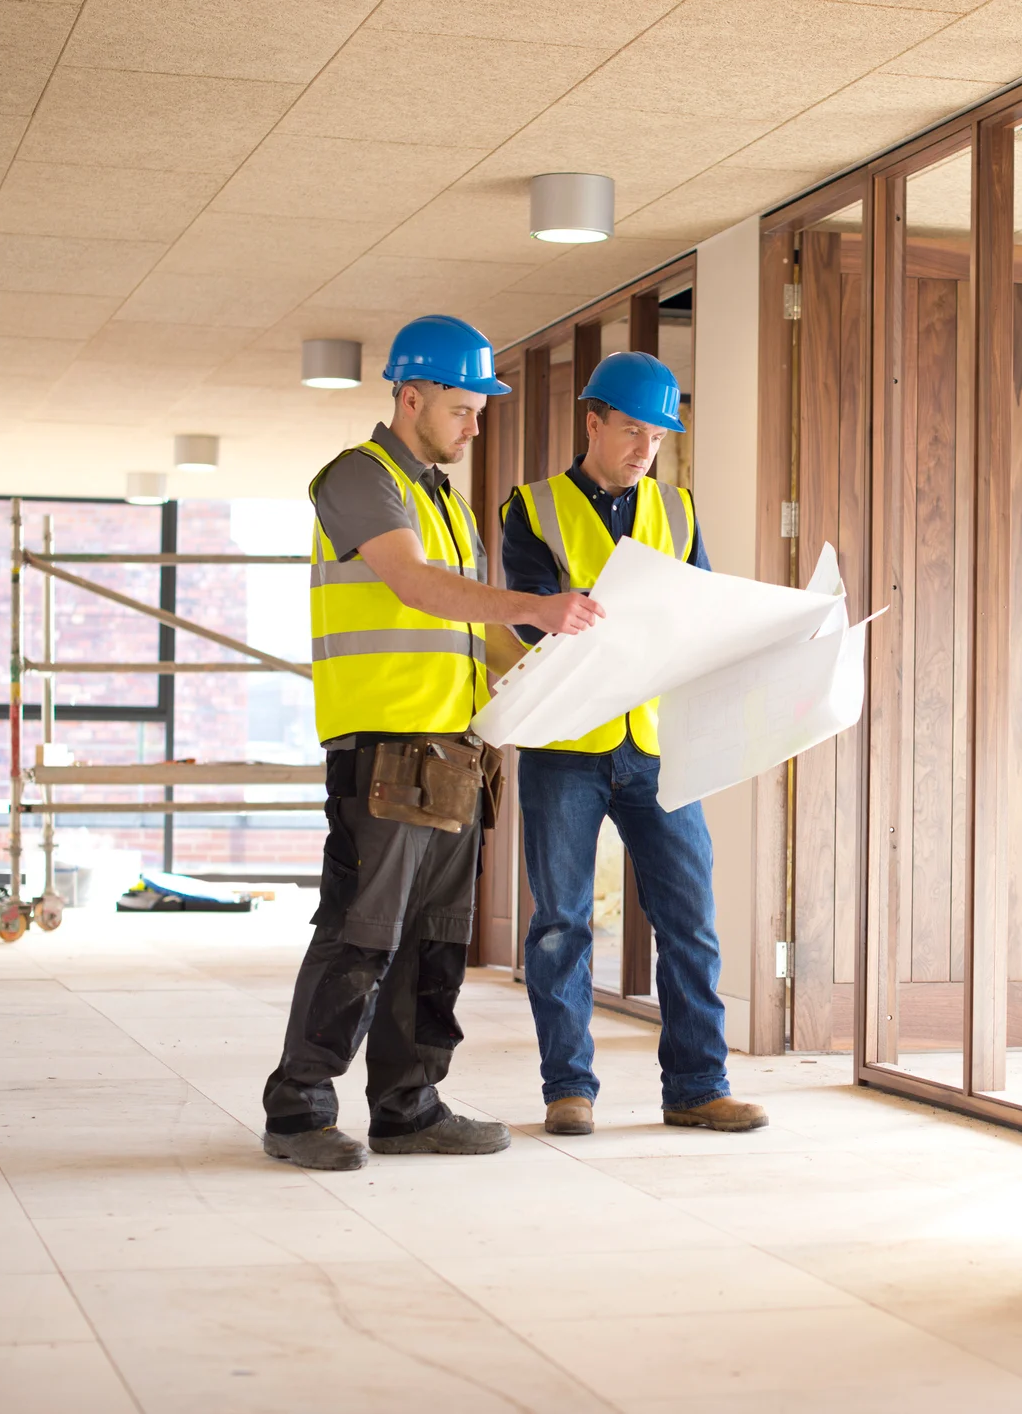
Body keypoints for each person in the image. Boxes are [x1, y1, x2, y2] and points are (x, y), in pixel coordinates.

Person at [261, 314, 604, 1172]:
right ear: (409, 397)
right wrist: (533, 605)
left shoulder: (444, 500)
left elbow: (481, 637)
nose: (474, 425)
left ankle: (408, 1107)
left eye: (480, 409)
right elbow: (412, 585)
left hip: (453, 757)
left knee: (434, 938)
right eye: (462, 407)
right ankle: (299, 1112)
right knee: (359, 933)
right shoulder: (360, 478)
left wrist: (562, 669)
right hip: (381, 751)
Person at [499, 351, 767, 1137]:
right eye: (629, 431)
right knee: (561, 922)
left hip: (653, 747)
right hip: (564, 745)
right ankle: (568, 1089)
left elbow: (702, 610)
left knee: (689, 918)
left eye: (655, 436)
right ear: (592, 421)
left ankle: (697, 1086)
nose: (642, 448)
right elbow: (526, 616)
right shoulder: (534, 506)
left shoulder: (677, 511)